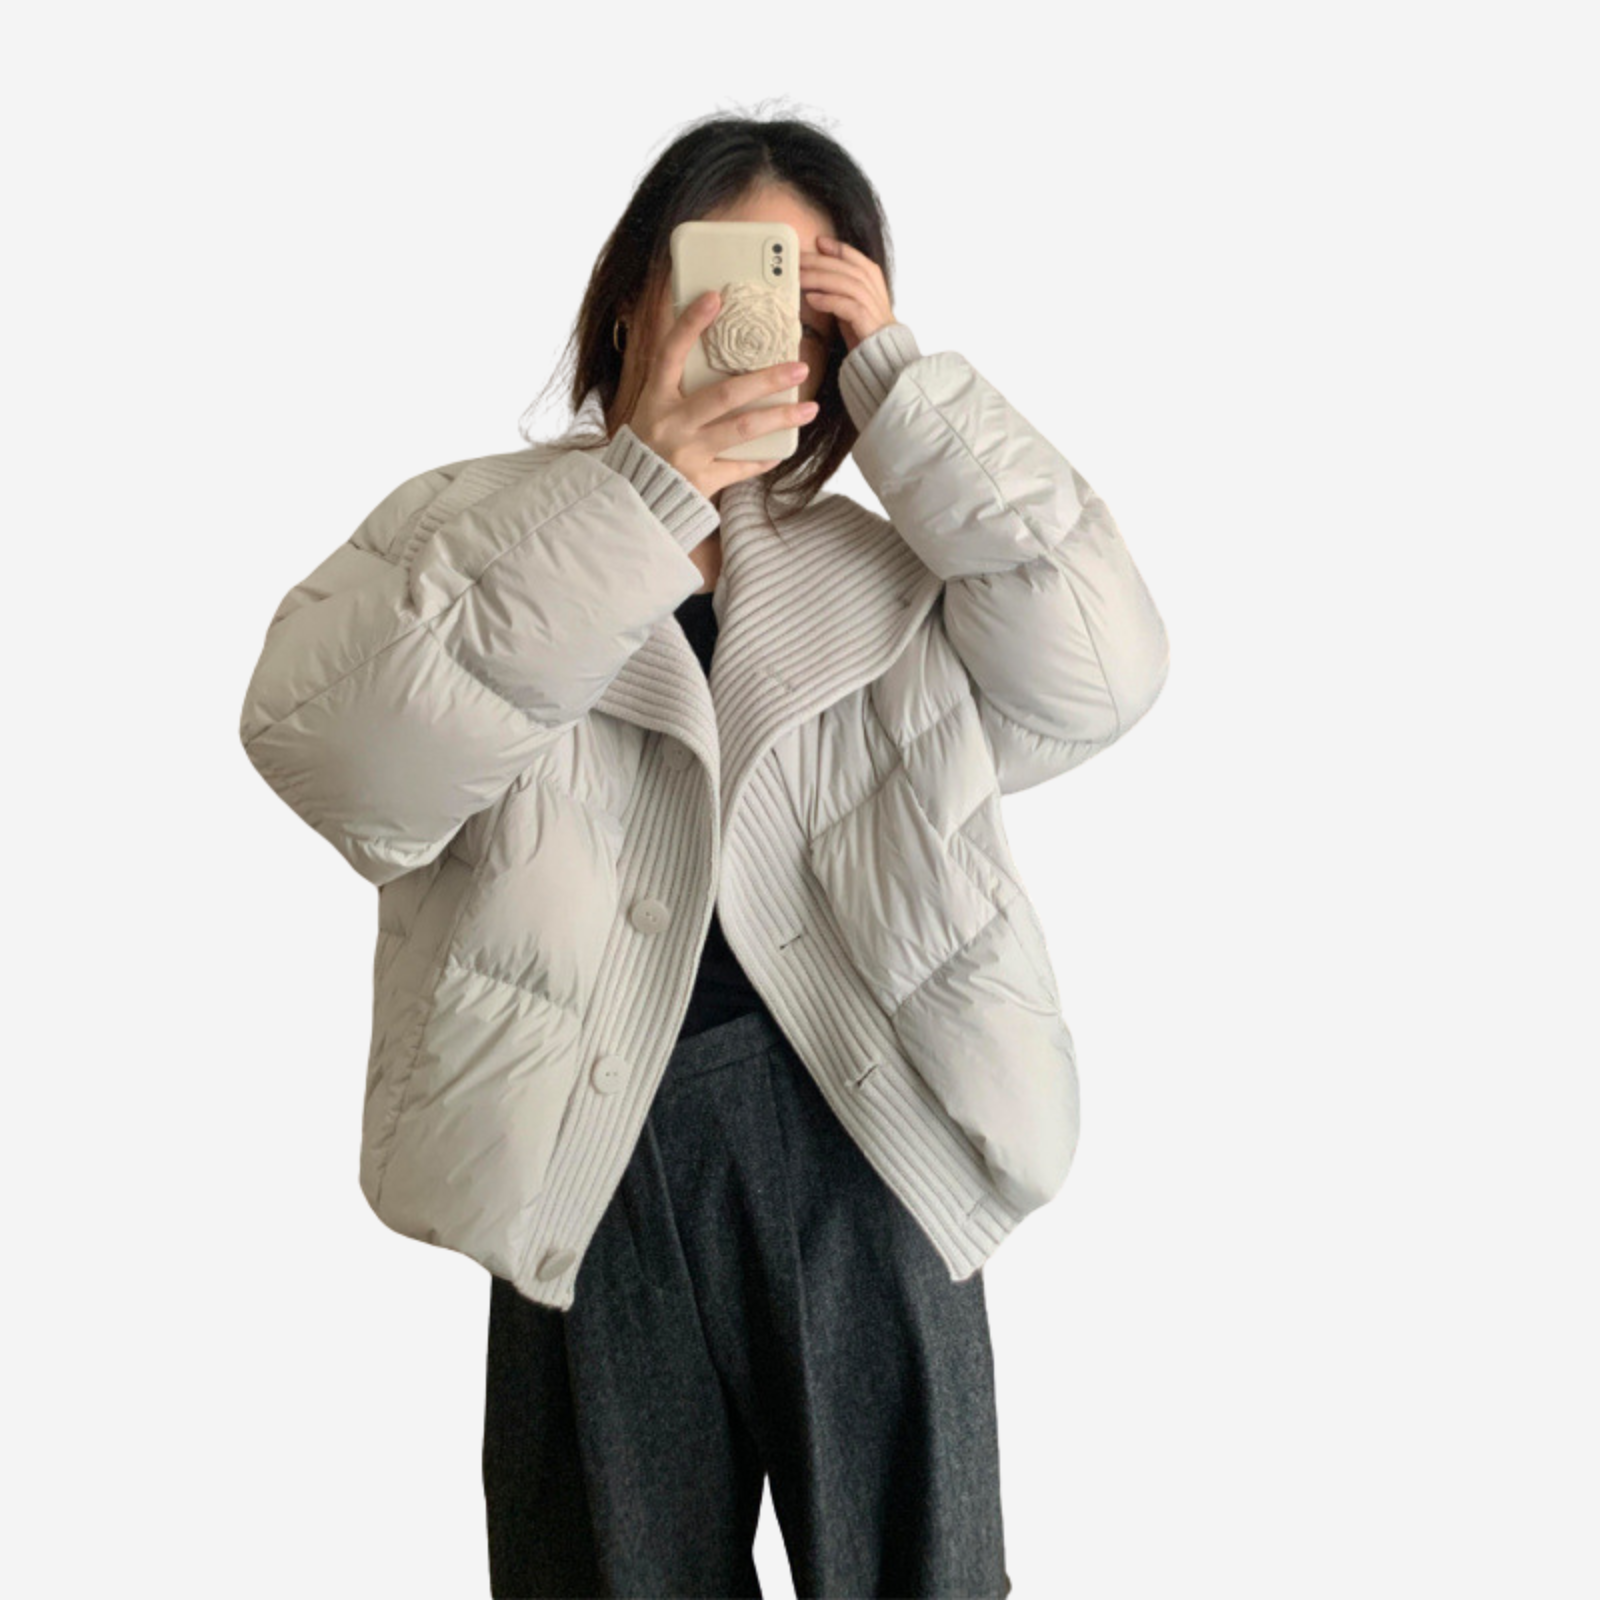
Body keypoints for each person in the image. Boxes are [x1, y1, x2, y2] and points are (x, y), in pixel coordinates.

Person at [237, 110, 1170, 1600]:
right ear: (633, 300)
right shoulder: (470, 531)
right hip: (581, 1149)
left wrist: (909, 395)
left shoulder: (888, 565)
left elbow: (1102, 675)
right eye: (735, 279)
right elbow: (343, 765)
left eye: (813, 302)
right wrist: (639, 497)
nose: (767, 329)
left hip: (871, 1135)